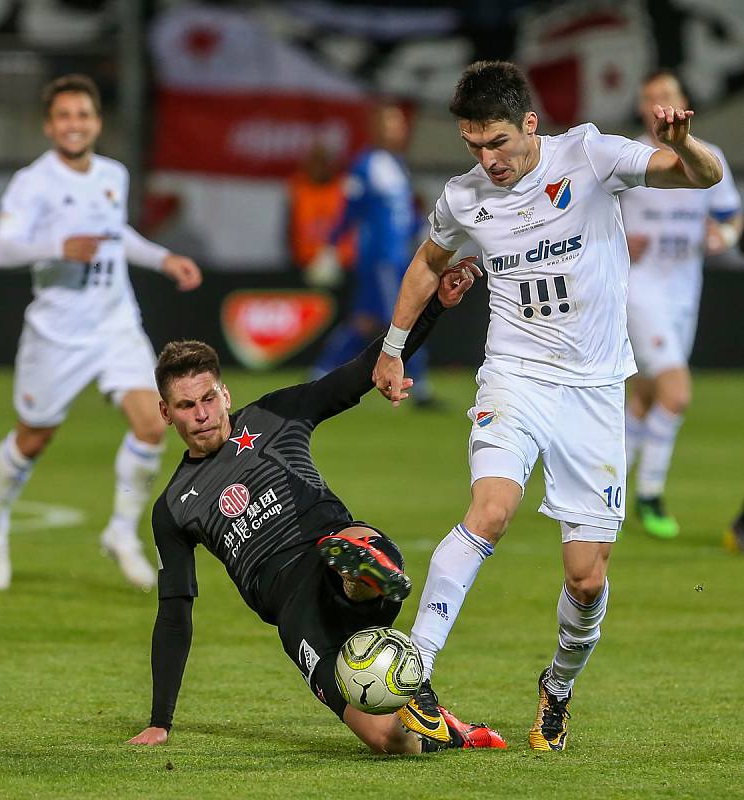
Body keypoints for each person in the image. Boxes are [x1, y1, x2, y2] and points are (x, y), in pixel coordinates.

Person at [371, 60, 723, 751]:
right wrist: (392, 348)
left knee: (586, 581)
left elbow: (703, 178)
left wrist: (681, 143)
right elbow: (426, 263)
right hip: (516, 375)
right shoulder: (465, 197)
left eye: (498, 142)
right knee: (491, 511)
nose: (487, 160)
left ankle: (556, 690)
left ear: (531, 125)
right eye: (474, 146)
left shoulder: (590, 156)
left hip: (594, 390)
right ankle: (415, 677)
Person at [125, 263, 506, 755]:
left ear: (225, 394)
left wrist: (435, 307)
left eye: (207, 399)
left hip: (330, 546)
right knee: (389, 744)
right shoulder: (174, 506)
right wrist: (161, 721)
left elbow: (363, 371)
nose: (200, 414)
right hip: (293, 613)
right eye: (184, 406)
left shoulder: (275, 414)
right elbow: (175, 613)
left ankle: (361, 581)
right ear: (165, 413)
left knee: (347, 552)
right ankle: (442, 721)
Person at [0, 74, 203, 592]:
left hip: (115, 322)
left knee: (152, 424)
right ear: (49, 125)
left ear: (97, 122)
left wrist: (163, 257)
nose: (74, 124)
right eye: (64, 116)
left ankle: (121, 531)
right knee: (34, 436)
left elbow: (114, 235)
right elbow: (0, 249)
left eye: (83, 115)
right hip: (58, 332)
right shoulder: (33, 182)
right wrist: (58, 244)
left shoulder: (112, 174)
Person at [621, 70, 742, 539]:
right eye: (651, 97)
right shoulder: (629, 158)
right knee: (676, 392)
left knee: (646, 396)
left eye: (666, 95)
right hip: (640, 290)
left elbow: (730, 214)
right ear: (641, 108)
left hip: (683, 292)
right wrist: (615, 241)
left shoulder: (710, 159)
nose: (659, 103)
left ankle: (608, 483)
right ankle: (649, 494)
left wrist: (724, 236)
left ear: (683, 101)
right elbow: (592, 218)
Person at [310, 103, 434, 404]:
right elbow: (350, 210)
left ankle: (319, 373)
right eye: (392, 123)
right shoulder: (365, 165)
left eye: (400, 123)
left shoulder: (396, 164)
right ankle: (420, 390)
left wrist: (429, 237)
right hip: (380, 259)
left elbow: (406, 212)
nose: (399, 129)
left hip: (398, 257)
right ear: (377, 128)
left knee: (364, 322)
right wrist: (330, 245)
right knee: (405, 316)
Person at [289, 140, 356, 282]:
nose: (319, 166)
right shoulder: (298, 190)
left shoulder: (344, 189)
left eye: (323, 161)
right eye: (315, 160)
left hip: (342, 268)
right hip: (304, 267)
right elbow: (290, 231)